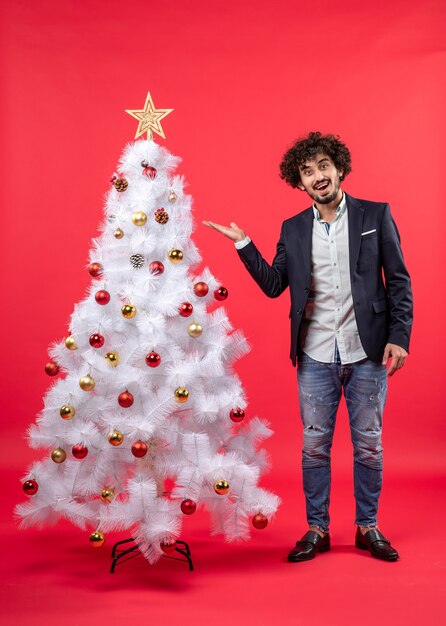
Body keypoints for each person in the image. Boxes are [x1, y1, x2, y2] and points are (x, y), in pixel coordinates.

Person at [203, 131, 413, 562]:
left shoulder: (376, 214)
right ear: (299, 183)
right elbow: (274, 285)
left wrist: (399, 336)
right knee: (315, 445)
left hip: (368, 350)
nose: (317, 175)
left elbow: (399, 281)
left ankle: (366, 526)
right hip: (315, 353)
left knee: (369, 443)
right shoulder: (293, 229)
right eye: (307, 170)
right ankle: (317, 528)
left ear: (338, 168)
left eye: (323, 166)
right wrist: (243, 243)